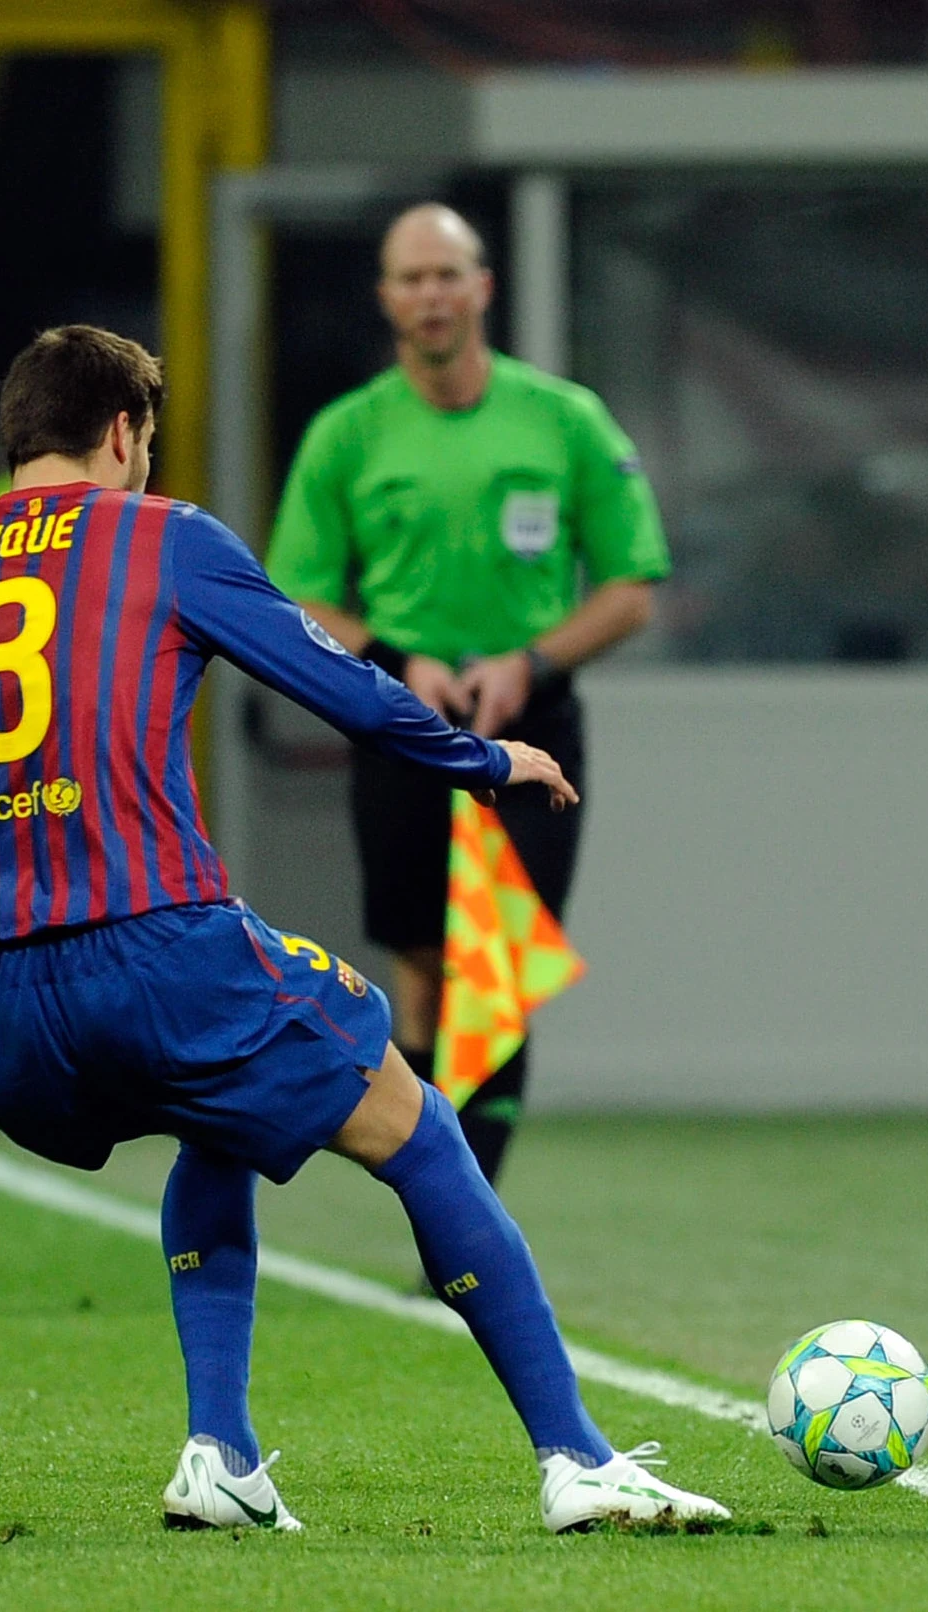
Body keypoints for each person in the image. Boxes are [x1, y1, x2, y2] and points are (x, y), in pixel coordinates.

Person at [0, 325, 721, 1534]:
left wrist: (14, 905)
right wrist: (481, 759)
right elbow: (340, 683)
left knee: (222, 1117)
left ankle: (222, 1454)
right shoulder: (167, 537)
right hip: (152, 953)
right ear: (122, 434)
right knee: (420, 1126)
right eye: (146, 444)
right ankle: (578, 1459)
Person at [270, 203, 666, 1185]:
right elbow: (299, 592)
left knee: (499, 971)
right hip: (401, 720)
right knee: (421, 971)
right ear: (387, 298)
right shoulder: (347, 434)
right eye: (411, 278)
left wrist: (528, 661)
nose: (431, 295)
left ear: (483, 287)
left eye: (448, 274)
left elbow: (630, 590)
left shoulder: (563, 418)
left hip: (528, 723)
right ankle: (433, 1192)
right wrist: (400, 658)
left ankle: (467, 1210)